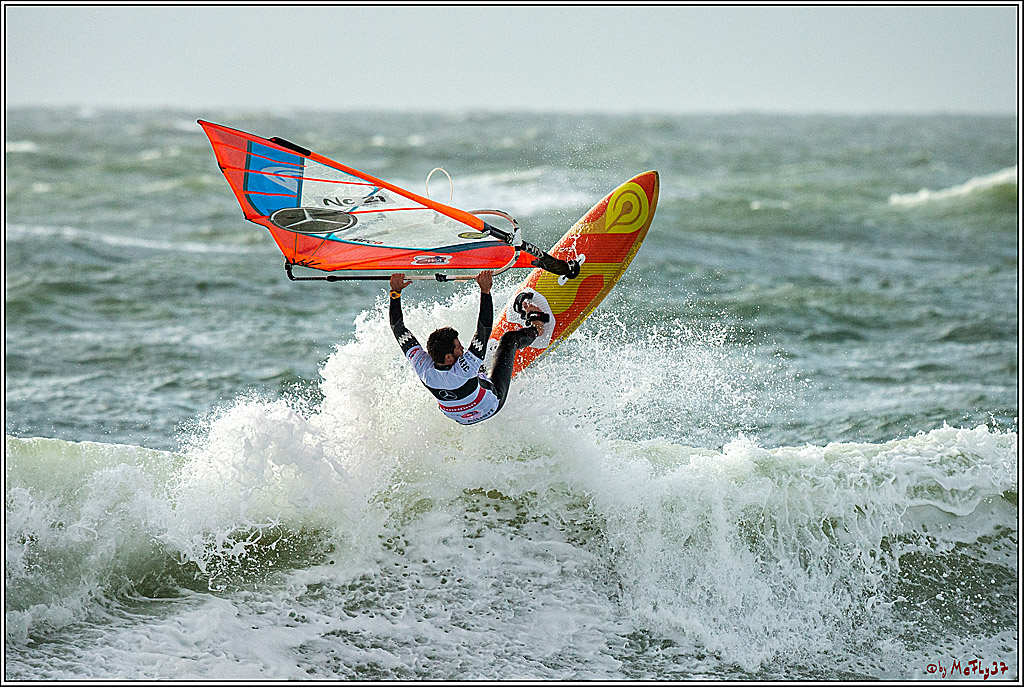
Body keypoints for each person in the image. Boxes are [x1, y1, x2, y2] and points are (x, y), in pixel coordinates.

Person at [388, 270, 547, 425]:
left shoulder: (422, 367)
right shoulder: (465, 369)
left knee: (477, 362)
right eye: (458, 347)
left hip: (460, 418)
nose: (462, 348)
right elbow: (484, 328)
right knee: (508, 340)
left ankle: (483, 371)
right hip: (490, 406)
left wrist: (395, 293)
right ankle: (537, 328)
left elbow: (398, 329)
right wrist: (485, 291)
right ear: (448, 357)